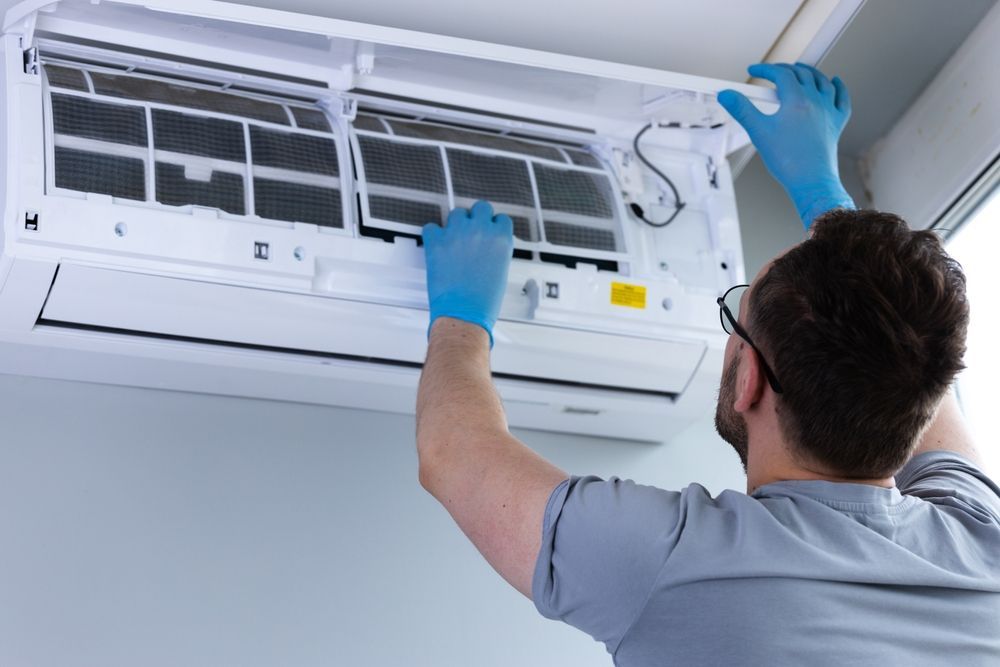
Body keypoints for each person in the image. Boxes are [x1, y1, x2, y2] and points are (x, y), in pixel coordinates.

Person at [415, 63, 1000, 665]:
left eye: (734, 319)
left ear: (747, 379)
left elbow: (455, 455)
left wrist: (460, 316)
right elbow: (906, 355)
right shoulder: (982, 546)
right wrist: (825, 198)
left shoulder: (681, 564)